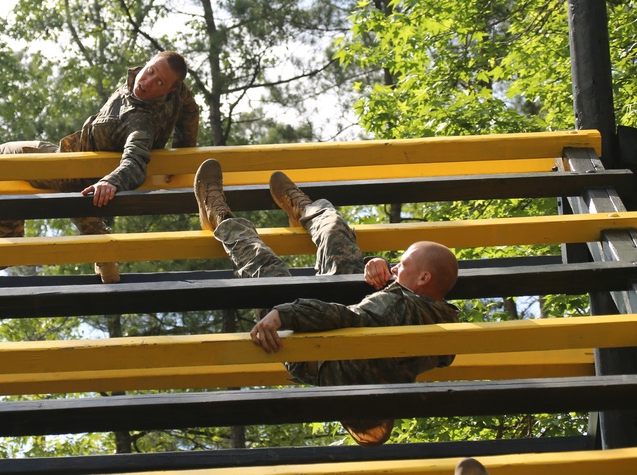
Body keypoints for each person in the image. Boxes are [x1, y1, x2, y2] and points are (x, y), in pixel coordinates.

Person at [193, 158, 460, 447]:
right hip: (342, 326)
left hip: (309, 345)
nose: (396, 267)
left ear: (423, 278)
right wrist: (384, 272)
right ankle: (303, 210)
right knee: (334, 233)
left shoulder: (405, 312)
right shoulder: (442, 331)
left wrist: (283, 314)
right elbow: (384, 313)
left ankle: (217, 214)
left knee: (264, 266)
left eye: (402, 264)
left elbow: (348, 317)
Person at [0, 51, 200, 283]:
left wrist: (112, 181)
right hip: (84, 169)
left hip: (71, 168)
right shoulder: (177, 90)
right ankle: (105, 259)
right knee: (80, 193)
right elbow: (190, 109)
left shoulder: (141, 123)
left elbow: (135, 162)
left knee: (4, 155)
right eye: (150, 71)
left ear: (168, 89)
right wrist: (183, 152)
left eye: (159, 82)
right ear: (148, 63)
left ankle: (9, 243)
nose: (147, 82)